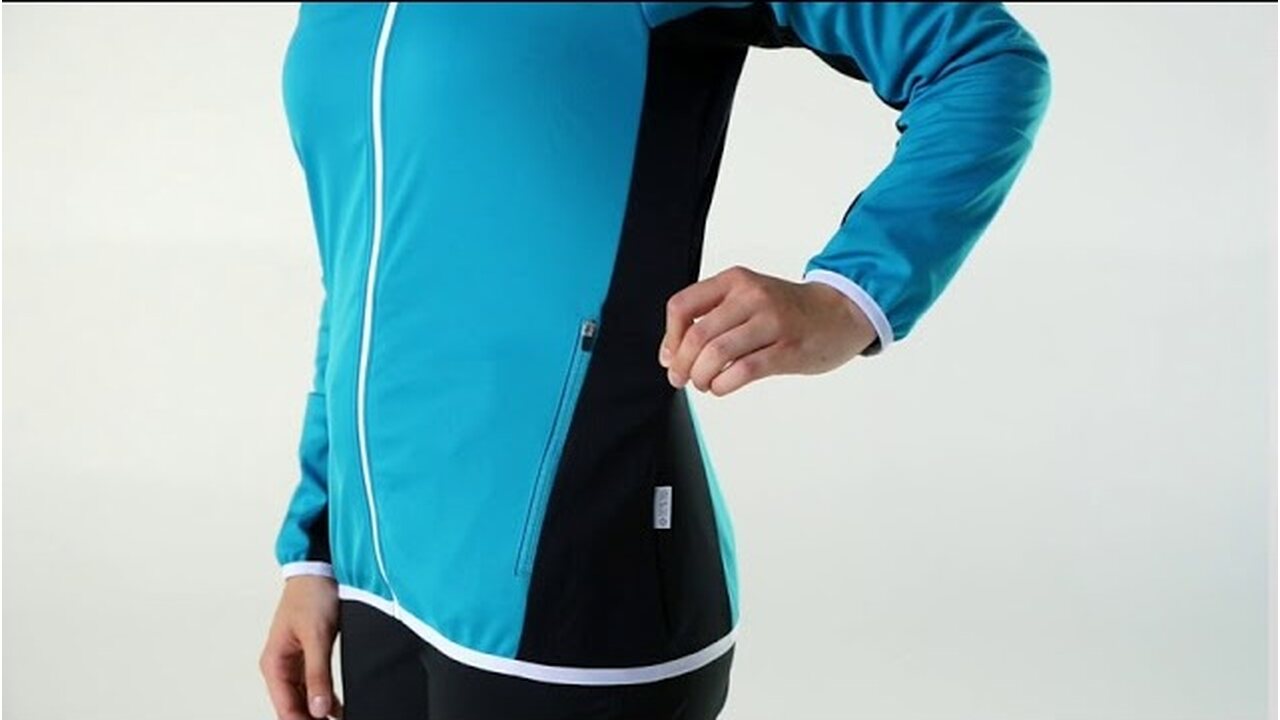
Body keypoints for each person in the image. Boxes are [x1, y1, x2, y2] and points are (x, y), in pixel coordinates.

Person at [258, 2, 1051, 719]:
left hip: (573, 591)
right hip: (377, 585)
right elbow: (357, 279)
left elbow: (981, 59)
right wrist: (313, 553)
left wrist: (850, 297)